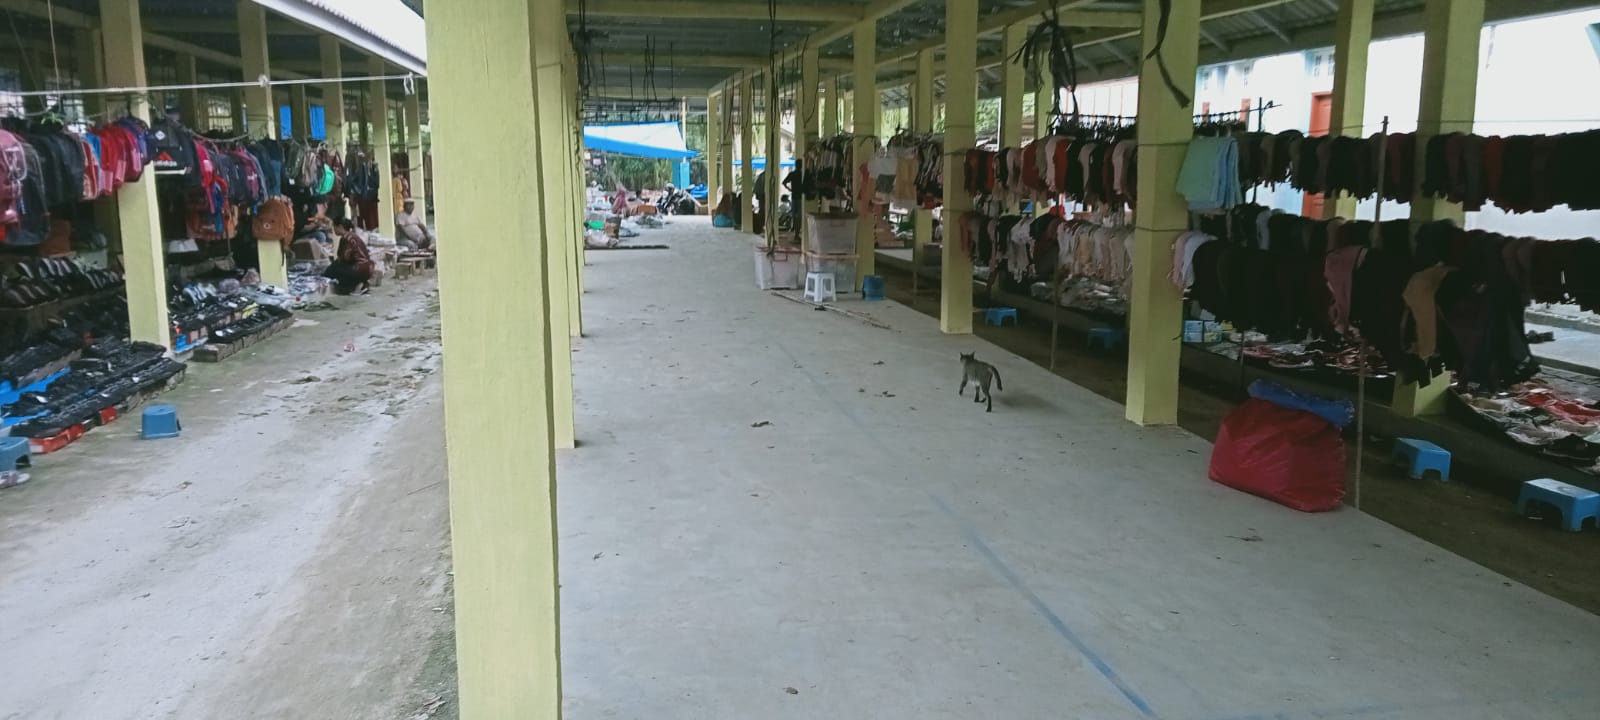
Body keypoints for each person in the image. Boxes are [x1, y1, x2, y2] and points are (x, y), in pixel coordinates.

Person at [324, 218, 374, 295]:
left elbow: (345, 257)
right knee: (335, 266)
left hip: (359, 269)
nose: (334, 230)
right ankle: (360, 283)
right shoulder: (353, 236)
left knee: (333, 269)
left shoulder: (346, 238)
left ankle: (355, 286)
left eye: (335, 227)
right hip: (367, 268)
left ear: (340, 227)